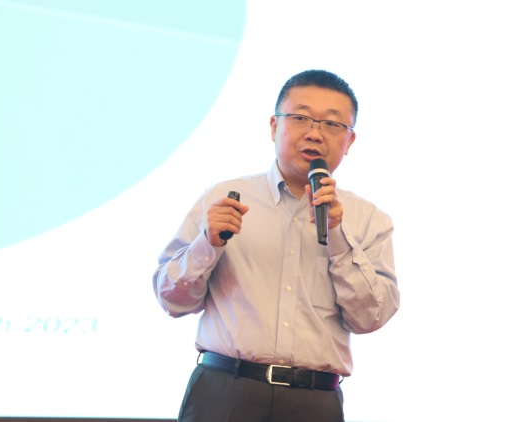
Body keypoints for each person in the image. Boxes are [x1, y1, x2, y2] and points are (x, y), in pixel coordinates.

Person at [153, 69, 400, 422]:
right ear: (274, 126)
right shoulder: (223, 199)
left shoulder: (368, 220)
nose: (314, 133)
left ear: (349, 141)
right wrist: (207, 243)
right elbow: (172, 300)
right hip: (224, 393)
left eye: (332, 124)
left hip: (314, 402)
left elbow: (370, 318)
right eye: (300, 118)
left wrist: (337, 234)